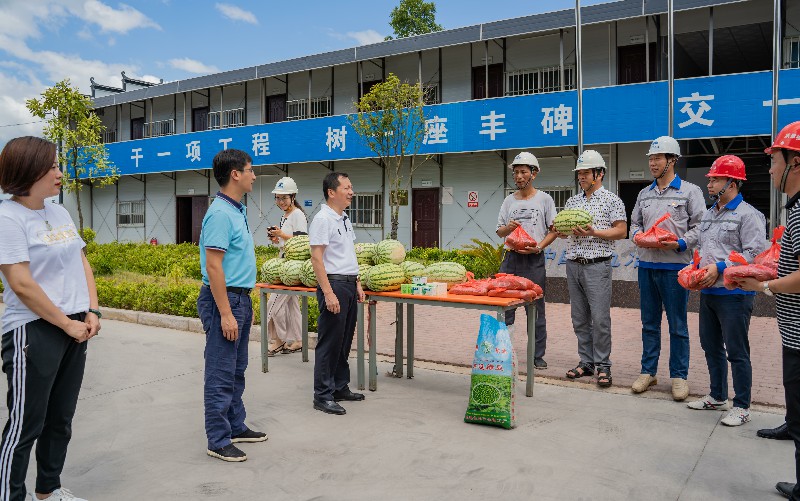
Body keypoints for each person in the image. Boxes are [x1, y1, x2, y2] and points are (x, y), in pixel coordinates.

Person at [0, 136, 100, 501]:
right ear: (29, 170)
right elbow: (21, 283)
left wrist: (92, 308)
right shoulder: (7, 217)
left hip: (75, 324)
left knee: (60, 418)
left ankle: (48, 489)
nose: (60, 172)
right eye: (53, 166)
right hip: (33, 328)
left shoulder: (58, 212)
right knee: (26, 423)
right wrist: (65, 322)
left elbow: (81, 260)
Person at [732, 121, 800, 499]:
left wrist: (764, 286)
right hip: (794, 329)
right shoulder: (794, 209)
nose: (770, 169)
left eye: (775, 161)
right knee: (795, 393)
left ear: (796, 162)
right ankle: (791, 423)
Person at [685, 155, 766, 427]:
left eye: (715, 179)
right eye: (710, 178)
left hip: (735, 294)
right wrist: (697, 269)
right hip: (709, 294)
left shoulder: (749, 215)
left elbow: (754, 254)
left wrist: (719, 267)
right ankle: (718, 396)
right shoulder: (709, 214)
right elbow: (704, 250)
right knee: (710, 347)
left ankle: (742, 405)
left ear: (733, 183)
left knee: (737, 351)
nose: (709, 183)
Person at [197, 149, 267, 462]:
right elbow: (214, 267)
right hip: (225, 300)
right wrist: (225, 312)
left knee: (237, 370)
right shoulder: (220, 213)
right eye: (250, 170)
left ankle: (235, 425)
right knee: (221, 373)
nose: (254, 175)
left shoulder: (235, 209)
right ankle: (218, 439)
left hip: (240, 297)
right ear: (235, 174)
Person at [629, 136, 706, 401]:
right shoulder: (644, 194)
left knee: (677, 325)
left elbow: (700, 227)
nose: (652, 163)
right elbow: (634, 224)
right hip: (647, 266)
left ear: (672, 160)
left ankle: (679, 376)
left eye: (657, 158)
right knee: (649, 323)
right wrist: (638, 236)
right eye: (650, 159)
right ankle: (648, 371)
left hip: (676, 269)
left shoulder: (690, 192)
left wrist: (681, 242)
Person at [559, 150, 627, 388]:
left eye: (586, 172)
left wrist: (594, 232)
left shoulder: (612, 200)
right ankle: (586, 363)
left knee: (599, 319)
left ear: (600, 173)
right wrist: (558, 228)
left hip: (598, 265)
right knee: (579, 318)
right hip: (573, 264)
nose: (581, 177)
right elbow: (564, 230)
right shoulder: (572, 201)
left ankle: (604, 365)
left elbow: (621, 231)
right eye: (579, 173)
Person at [308, 172, 366, 415]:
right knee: (329, 342)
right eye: (347, 187)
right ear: (332, 192)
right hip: (334, 285)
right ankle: (322, 395)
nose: (351, 192)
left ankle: (340, 386)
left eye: (352, 187)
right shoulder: (323, 219)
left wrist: (358, 283)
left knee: (344, 341)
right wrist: (328, 293)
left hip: (348, 284)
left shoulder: (343, 218)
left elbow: (348, 253)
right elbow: (316, 258)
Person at [496, 152, 557, 369]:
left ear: (534, 173)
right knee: (506, 306)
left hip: (534, 261)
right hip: (511, 259)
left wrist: (539, 246)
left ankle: (537, 355)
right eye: (516, 172)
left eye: (523, 172)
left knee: (536, 307)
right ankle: (504, 350)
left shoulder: (545, 199)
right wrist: (509, 229)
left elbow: (554, 230)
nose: (519, 176)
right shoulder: (508, 200)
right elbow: (499, 232)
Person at [266, 176, 308, 356]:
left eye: (284, 198)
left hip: (291, 266)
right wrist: (277, 238)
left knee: (272, 303)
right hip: (286, 261)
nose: (280, 201)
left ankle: (278, 340)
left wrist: (282, 234)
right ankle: (299, 340)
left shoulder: (297, 214)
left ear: (293, 197)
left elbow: (302, 241)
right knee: (292, 306)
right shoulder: (286, 216)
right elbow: (286, 241)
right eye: (277, 197)